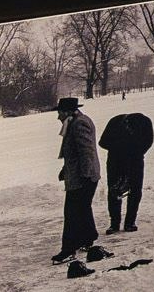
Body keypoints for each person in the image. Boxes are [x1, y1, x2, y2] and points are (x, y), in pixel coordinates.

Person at [51, 98, 109, 269]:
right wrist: (66, 169)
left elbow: (86, 151)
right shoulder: (74, 122)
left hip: (83, 177)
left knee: (72, 212)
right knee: (82, 208)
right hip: (81, 175)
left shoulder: (79, 124)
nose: (58, 117)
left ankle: (69, 249)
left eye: (59, 113)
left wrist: (85, 175)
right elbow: (75, 152)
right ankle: (88, 238)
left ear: (68, 112)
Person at [98, 111, 154, 235]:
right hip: (123, 161)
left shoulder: (141, 122)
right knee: (122, 190)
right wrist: (130, 150)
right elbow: (102, 142)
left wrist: (125, 150)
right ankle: (123, 223)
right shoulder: (117, 121)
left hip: (125, 161)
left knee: (126, 190)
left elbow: (148, 142)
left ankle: (121, 223)